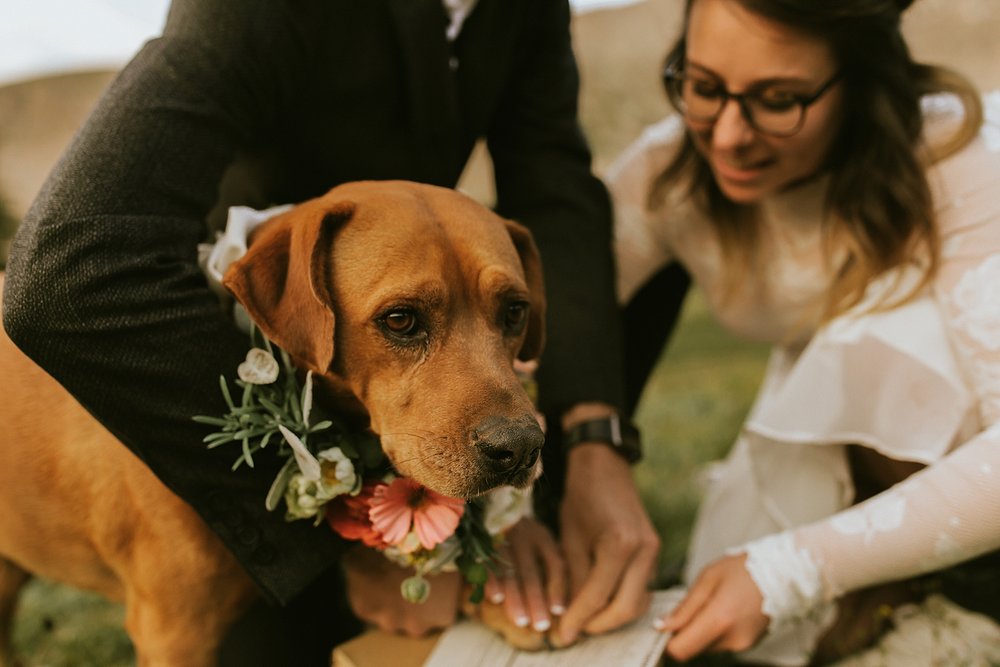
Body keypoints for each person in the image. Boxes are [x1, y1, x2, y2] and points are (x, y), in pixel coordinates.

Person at [2, 0, 658, 663]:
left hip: (360, 357)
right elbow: (63, 269)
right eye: (406, 321)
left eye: (510, 314)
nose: (514, 428)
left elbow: (555, 187)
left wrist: (592, 440)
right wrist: (339, 532)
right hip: (224, 387)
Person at [608, 0, 1000, 663]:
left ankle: (960, 583)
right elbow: (550, 319)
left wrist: (793, 568)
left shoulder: (950, 156)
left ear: (862, 80)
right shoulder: (668, 170)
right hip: (822, 412)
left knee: (891, 334)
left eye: (779, 100)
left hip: (962, 426)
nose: (728, 135)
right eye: (703, 87)